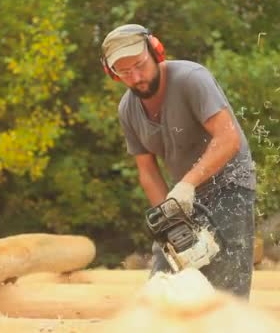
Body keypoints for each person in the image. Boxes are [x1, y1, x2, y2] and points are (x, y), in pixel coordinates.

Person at [100, 24, 257, 299]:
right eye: (125, 72)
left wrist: (187, 185)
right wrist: (169, 221)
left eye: (139, 65)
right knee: (165, 282)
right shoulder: (128, 109)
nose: (136, 77)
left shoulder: (191, 79)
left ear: (156, 52)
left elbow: (228, 138)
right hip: (182, 197)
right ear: (112, 74)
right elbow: (147, 172)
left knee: (226, 286)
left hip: (230, 185)